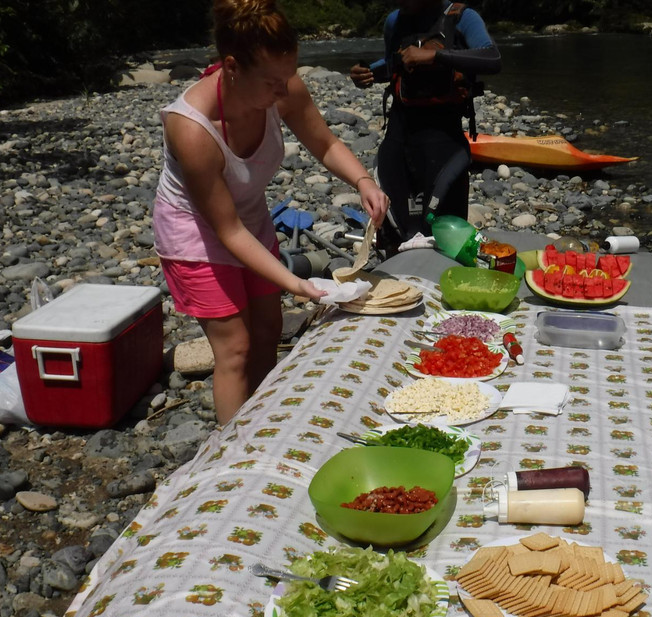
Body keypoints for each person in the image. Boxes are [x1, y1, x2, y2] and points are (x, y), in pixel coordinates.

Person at [154, 0, 389, 425]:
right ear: (231, 67)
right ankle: (231, 449)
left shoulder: (281, 87)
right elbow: (227, 230)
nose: (285, 91)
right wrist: (297, 283)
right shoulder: (190, 127)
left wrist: (363, 181)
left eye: (288, 77)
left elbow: (325, 143)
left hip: (249, 217)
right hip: (196, 232)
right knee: (235, 347)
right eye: (272, 82)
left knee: (267, 330)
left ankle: (262, 423)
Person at [349, 0, 500, 245]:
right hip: (399, 139)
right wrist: (368, 74)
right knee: (397, 231)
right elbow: (393, 64)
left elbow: (493, 58)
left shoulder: (460, 17)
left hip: (443, 141)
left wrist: (435, 55)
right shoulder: (394, 21)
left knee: (445, 237)